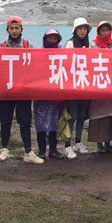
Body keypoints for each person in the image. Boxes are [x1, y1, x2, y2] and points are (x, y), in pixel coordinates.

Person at [0, 17, 44, 164]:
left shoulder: (28, 45)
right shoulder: (1, 46)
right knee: (5, 121)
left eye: (17, 28)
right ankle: (4, 149)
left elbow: (37, 63)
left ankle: (28, 152)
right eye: (11, 28)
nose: (14, 31)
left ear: (21, 29)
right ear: (7, 30)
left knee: (25, 121)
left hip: (24, 90)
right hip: (7, 90)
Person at [88, 21, 112, 154]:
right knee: (97, 114)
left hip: (111, 83)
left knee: (111, 114)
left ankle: (108, 143)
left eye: (107, 30)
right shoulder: (93, 45)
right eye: (103, 30)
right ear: (98, 32)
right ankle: (99, 143)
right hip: (98, 82)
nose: (105, 33)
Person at [63, 18, 93, 157]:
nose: (82, 31)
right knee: (72, 115)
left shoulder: (90, 45)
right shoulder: (69, 44)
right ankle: (67, 145)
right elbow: (66, 62)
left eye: (84, 28)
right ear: (75, 30)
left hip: (85, 85)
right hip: (73, 86)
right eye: (80, 28)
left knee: (81, 115)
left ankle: (78, 142)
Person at [36, 29, 67, 159]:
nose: (52, 40)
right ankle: (41, 151)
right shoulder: (38, 53)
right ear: (45, 39)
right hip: (41, 95)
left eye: (55, 38)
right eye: (50, 38)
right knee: (41, 124)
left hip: (56, 95)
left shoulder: (63, 52)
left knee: (54, 124)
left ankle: (53, 150)